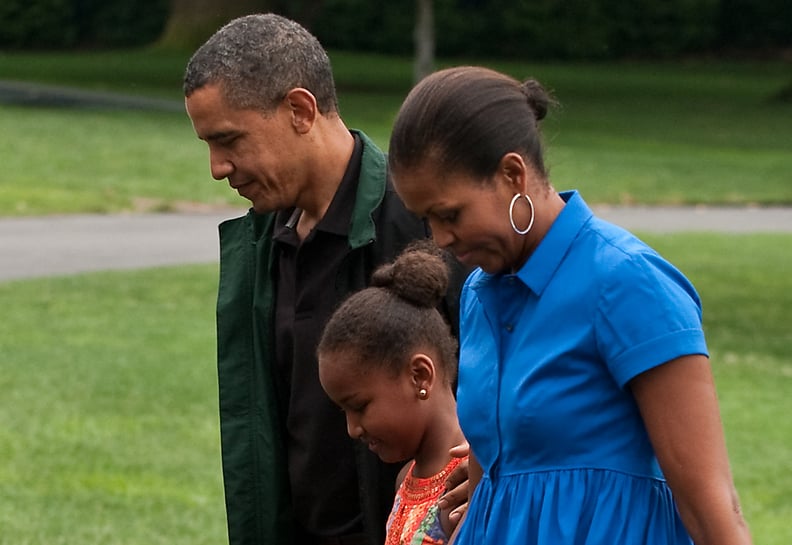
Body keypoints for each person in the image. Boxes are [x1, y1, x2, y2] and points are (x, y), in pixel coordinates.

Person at [387, 65, 754, 545]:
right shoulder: (478, 294)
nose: (438, 238)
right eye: (425, 219)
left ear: (512, 174)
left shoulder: (627, 282)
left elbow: (711, 504)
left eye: (449, 214)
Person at [183, 14, 466, 545]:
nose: (218, 167)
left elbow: (497, 392)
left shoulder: (423, 226)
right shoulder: (262, 245)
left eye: (228, 140)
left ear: (299, 110)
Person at [318, 241, 469, 545]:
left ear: (419, 375)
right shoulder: (405, 480)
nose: (352, 429)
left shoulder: (469, 483)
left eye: (359, 406)